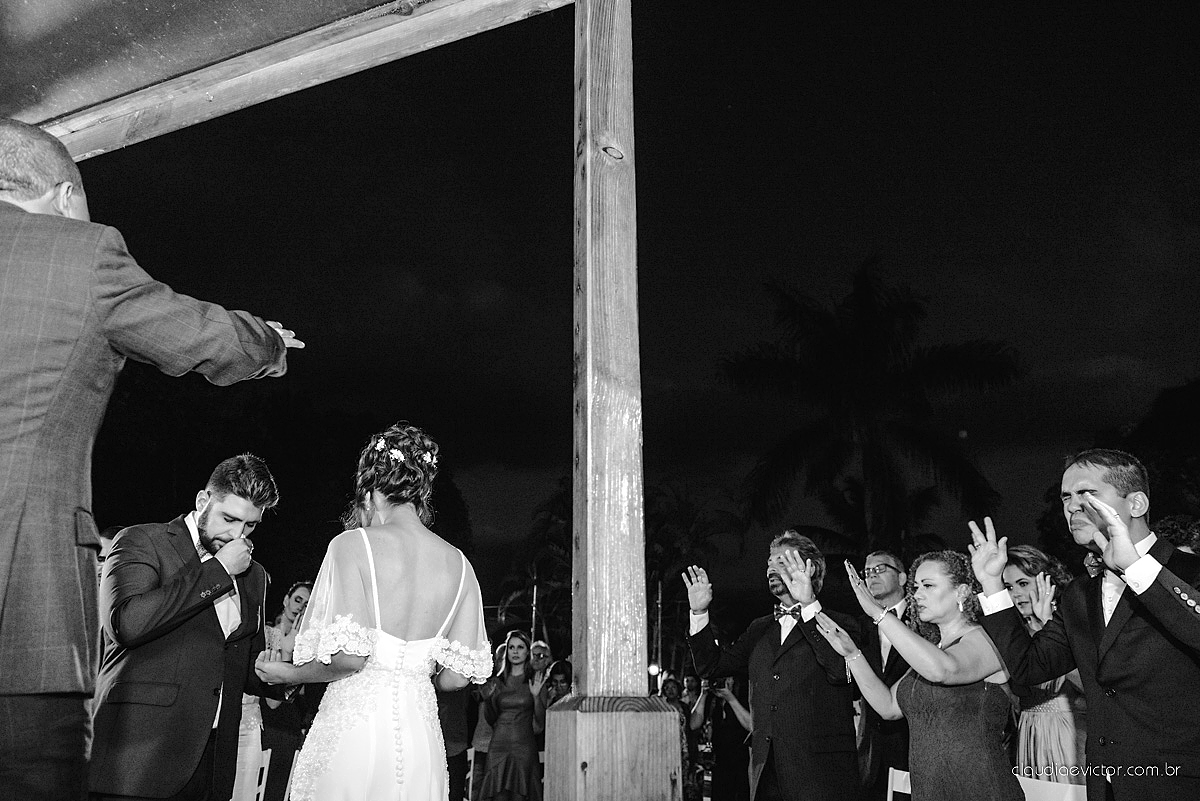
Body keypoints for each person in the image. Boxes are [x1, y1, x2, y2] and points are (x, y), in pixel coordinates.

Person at [0, 117, 302, 801]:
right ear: (62, 195)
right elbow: (198, 335)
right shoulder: (82, 251)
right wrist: (268, 346)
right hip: (26, 617)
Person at [254, 423, 493, 801]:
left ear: (371, 490)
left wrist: (286, 672)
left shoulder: (353, 545)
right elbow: (457, 679)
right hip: (420, 737)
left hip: (356, 730)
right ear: (422, 491)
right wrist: (411, 675)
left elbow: (350, 658)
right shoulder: (460, 566)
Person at [970, 448, 1200, 801]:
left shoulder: (1189, 573)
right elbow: (1030, 667)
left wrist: (1136, 569)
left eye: (1087, 493)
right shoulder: (1079, 592)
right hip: (1104, 783)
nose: (1072, 507)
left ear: (1136, 504)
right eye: (1066, 497)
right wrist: (991, 586)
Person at [89, 454, 287, 801]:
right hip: (137, 758)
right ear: (202, 501)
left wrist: (284, 671)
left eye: (251, 525)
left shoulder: (255, 575)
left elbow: (242, 668)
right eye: (229, 518)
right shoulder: (142, 541)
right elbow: (127, 624)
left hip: (212, 764)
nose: (237, 535)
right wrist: (218, 572)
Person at [816, 550, 1024, 801]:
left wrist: (879, 614)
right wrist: (852, 654)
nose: (917, 595)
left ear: (962, 592)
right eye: (915, 587)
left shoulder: (986, 640)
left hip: (981, 790)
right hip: (929, 791)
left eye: (928, 585)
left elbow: (943, 670)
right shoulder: (933, 649)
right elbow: (888, 707)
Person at [683, 531, 861, 801]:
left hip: (821, 776)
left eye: (781, 561)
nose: (770, 568)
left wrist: (809, 606)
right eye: (769, 562)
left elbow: (841, 672)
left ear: (809, 568)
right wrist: (699, 613)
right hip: (765, 773)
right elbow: (711, 666)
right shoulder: (759, 628)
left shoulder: (845, 624)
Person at [1002, 544, 1086, 785]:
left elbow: (1090, 686)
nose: (1016, 594)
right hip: (1028, 734)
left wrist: (1047, 623)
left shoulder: (1073, 625)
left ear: (1046, 581)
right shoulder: (1013, 635)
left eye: (1023, 583)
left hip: (1070, 733)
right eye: (1008, 587)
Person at [856, 550, 912, 801]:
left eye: (880, 569)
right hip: (871, 748)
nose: (871, 576)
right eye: (867, 572)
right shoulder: (859, 627)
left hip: (913, 742)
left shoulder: (924, 620)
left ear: (902, 578)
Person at [255, 581, 316, 801]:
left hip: (290, 721)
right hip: (262, 718)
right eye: (298, 599)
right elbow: (270, 699)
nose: (300, 607)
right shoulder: (265, 633)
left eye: (307, 604)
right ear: (286, 600)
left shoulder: (309, 645)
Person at [477, 630, 545, 801]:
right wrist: (488, 700)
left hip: (524, 746)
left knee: (520, 796)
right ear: (506, 651)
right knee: (498, 796)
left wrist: (536, 697)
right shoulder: (497, 682)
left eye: (520, 647)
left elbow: (542, 723)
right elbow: (491, 719)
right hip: (498, 745)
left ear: (527, 651)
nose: (515, 651)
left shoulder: (535, 679)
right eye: (511, 647)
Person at [701, 676, 753, 801]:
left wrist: (731, 699)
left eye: (728, 679)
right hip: (719, 761)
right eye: (721, 679)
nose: (725, 683)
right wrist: (703, 695)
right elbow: (694, 724)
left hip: (741, 760)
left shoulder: (745, 697)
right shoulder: (713, 700)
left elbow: (750, 725)